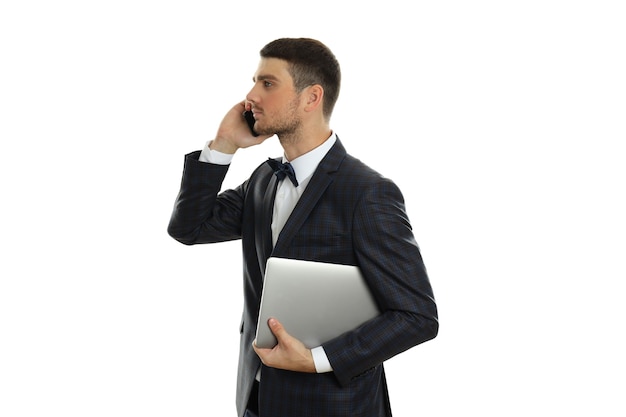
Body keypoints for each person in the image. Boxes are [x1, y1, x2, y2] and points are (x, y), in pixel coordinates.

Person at [167, 37, 438, 417]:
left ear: (311, 98)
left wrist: (318, 359)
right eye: (254, 82)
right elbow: (189, 228)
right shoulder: (264, 180)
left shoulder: (368, 192)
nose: (250, 96)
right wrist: (223, 145)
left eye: (267, 83)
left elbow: (417, 316)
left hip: (334, 405)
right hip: (257, 400)